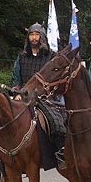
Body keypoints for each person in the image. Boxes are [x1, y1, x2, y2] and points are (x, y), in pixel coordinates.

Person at [12, 22, 67, 168]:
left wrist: (48, 93)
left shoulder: (51, 57)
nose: (34, 38)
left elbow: (56, 78)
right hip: (23, 97)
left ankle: (61, 152)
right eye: (31, 35)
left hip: (45, 98)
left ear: (42, 37)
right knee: (5, 117)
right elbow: (16, 77)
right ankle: (5, 161)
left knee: (55, 120)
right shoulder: (22, 57)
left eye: (36, 35)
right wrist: (17, 90)